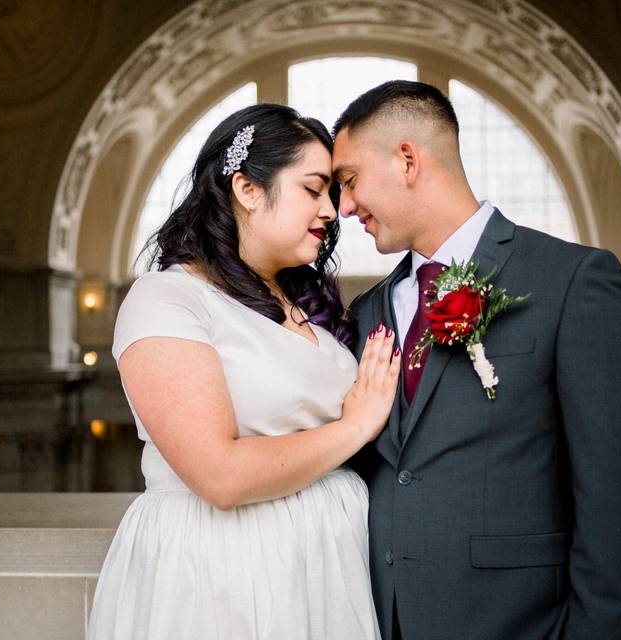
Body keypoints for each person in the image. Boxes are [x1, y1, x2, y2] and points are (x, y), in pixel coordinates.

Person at [333, 80, 621, 640]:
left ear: (407, 159)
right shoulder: (367, 312)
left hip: (519, 624)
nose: (343, 206)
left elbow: (616, 489)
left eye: (350, 180)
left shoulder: (572, 282)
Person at [88, 103, 399, 640]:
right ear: (247, 190)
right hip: (226, 569)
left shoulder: (305, 300)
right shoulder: (167, 299)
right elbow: (220, 476)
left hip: (328, 569)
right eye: (313, 188)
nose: (333, 211)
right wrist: (354, 427)